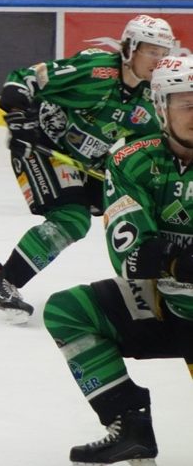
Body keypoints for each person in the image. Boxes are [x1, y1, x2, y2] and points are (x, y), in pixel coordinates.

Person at [42, 55, 193, 464]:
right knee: (70, 311)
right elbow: (132, 255)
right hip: (169, 307)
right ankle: (130, 425)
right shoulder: (132, 159)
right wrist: (178, 261)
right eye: (187, 103)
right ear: (161, 106)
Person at [0, 15, 176, 323]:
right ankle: (1, 286)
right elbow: (25, 77)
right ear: (129, 48)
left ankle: (156, 289)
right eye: (152, 51)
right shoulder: (95, 70)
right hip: (40, 148)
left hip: (86, 162)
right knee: (71, 219)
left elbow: (146, 149)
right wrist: (18, 115)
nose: (159, 60)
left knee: (135, 210)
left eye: (164, 53)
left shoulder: (150, 97)